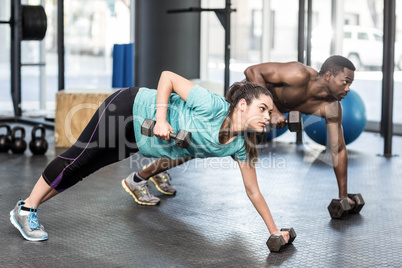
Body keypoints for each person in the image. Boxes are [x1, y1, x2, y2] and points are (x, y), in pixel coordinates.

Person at [10, 71, 292, 244]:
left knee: (81, 170)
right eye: (263, 109)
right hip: (129, 108)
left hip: (137, 139)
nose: (268, 117)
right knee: (76, 158)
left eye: (270, 112)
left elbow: (253, 191)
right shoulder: (211, 106)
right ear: (242, 105)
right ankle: (27, 211)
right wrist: (160, 119)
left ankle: (25, 208)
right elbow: (167, 76)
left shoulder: (239, 146)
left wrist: (273, 231)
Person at [137, 55, 357, 209]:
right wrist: (275, 112)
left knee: (197, 149)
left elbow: (338, 149)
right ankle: (141, 177)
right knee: (195, 146)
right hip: (241, 107)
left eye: (350, 84)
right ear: (328, 76)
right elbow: (252, 71)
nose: (348, 88)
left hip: (261, 120)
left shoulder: (332, 107)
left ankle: (151, 173)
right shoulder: (299, 74)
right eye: (345, 82)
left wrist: (343, 195)